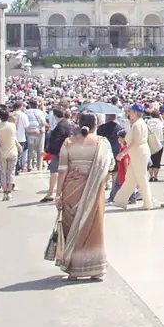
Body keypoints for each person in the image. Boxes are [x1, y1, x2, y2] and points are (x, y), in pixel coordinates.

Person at [53, 110, 112, 280]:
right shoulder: (102, 143)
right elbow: (110, 165)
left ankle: (74, 270)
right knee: (94, 228)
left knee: (72, 227)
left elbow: (62, 169)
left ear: (78, 123)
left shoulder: (68, 142)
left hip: (71, 189)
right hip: (94, 189)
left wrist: (58, 194)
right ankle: (95, 269)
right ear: (96, 124)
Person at [112, 103, 154, 210]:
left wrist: (123, 153)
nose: (129, 114)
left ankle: (148, 203)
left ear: (135, 113)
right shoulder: (137, 123)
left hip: (139, 154)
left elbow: (135, 142)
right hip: (137, 154)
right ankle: (120, 200)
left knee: (142, 178)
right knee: (130, 178)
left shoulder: (137, 125)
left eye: (130, 112)